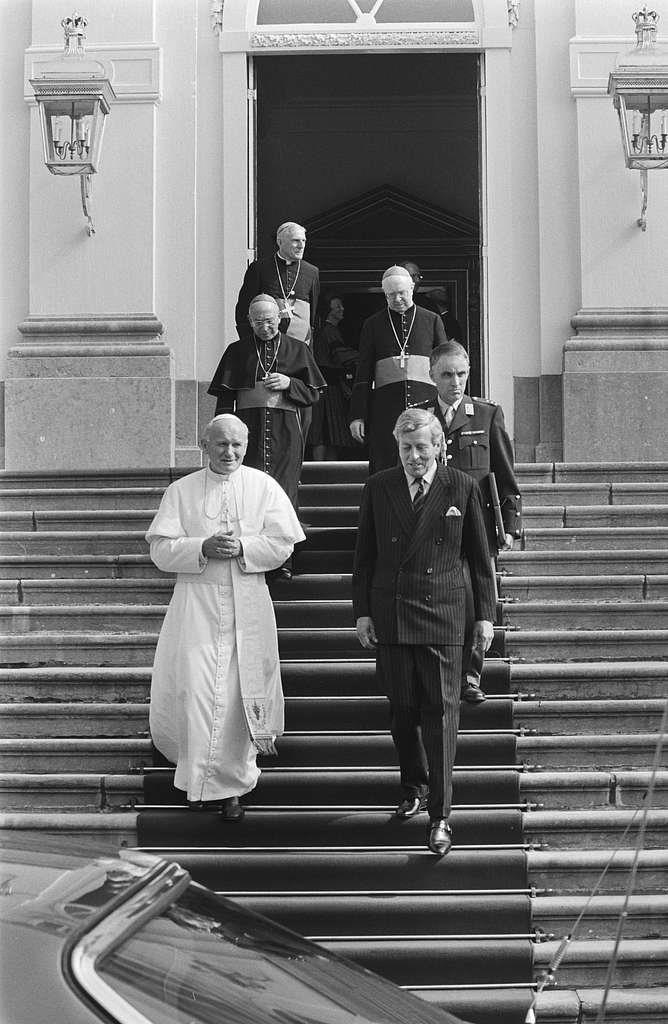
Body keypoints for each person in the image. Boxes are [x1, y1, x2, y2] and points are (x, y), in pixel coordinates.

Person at [146, 414, 305, 821]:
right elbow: (161, 550)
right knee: (197, 690)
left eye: (237, 444)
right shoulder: (181, 492)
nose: (229, 452)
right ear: (204, 444)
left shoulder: (264, 487)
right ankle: (197, 778)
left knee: (237, 693)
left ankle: (232, 786)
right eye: (220, 444)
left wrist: (243, 548)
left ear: (247, 445)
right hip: (196, 605)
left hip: (247, 602)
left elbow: (283, 542)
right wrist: (201, 547)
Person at [352, 408, 496, 856]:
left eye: (422, 447)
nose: (415, 457)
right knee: (402, 710)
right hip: (392, 613)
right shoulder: (379, 487)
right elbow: (364, 556)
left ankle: (441, 816)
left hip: (444, 616)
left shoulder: (462, 486)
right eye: (406, 448)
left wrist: (485, 616)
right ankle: (413, 784)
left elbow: (480, 558)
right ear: (397, 448)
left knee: (442, 715)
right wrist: (362, 613)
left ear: (439, 446)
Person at [419, 340, 523, 703]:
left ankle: (471, 676)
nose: (455, 382)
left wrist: (509, 525)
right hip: (430, 525)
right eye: (447, 374)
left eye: (461, 373)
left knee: (479, 600)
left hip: (475, 524)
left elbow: (505, 474)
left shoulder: (486, 414)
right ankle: (440, 670)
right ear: (432, 375)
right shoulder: (419, 417)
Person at [207, 295, 325, 579]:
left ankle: (285, 558)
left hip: (286, 433)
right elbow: (226, 399)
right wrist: (223, 435)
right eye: (259, 322)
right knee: (248, 494)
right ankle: (251, 552)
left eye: (270, 321)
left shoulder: (297, 349)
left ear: (279, 319)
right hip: (249, 432)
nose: (265, 327)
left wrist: (290, 383)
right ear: (250, 322)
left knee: (284, 494)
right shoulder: (237, 351)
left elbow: (313, 393)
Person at [349, 265, 446, 472]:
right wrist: (358, 415)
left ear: (412, 288)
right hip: (385, 409)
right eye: (391, 295)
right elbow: (363, 373)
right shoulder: (373, 324)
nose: (397, 299)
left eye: (402, 293)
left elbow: (444, 367)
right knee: (386, 467)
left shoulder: (432, 320)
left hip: (426, 405)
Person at [235, 221, 320, 346]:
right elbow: (243, 310)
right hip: (264, 343)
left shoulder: (311, 272)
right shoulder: (259, 269)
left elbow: (313, 314)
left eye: (304, 241)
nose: (301, 246)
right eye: (295, 240)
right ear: (280, 242)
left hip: (299, 347)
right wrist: (250, 343)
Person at [309, 294, 359, 459]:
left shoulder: (328, 330)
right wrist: (364, 358)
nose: (342, 309)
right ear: (329, 311)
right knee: (324, 433)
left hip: (329, 387)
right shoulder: (329, 331)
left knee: (332, 436)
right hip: (327, 388)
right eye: (337, 307)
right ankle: (320, 474)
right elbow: (341, 356)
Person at [401, 261, 463, 342]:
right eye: (413, 276)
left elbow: (442, 335)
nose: (417, 280)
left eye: (419, 276)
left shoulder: (427, 303)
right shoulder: (384, 303)